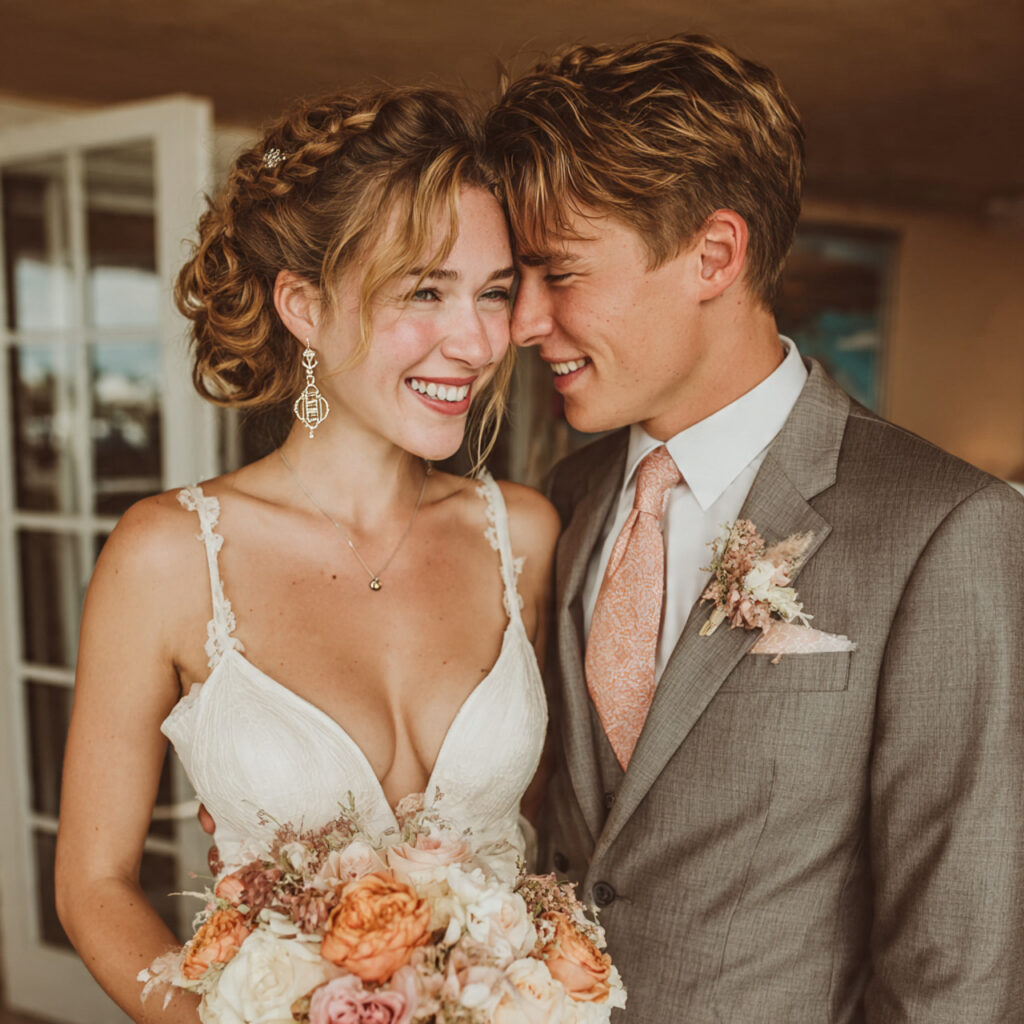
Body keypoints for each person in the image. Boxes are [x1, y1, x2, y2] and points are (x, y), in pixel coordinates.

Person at [485, 34, 1024, 1022]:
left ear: (713, 254)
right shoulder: (559, 495)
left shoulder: (947, 527)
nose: (521, 321)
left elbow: (959, 956)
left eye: (556, 273)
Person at [55, 87, 559, 1023]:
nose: (480, 340)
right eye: (424, 291)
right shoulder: (166, 557)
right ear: (305, 306)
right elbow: (93, 885)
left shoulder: (522, 535)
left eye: (494, 293)